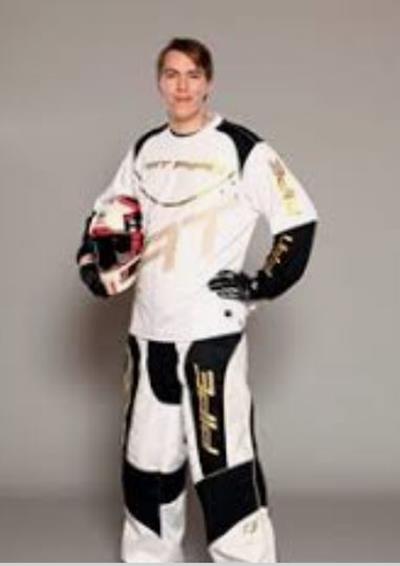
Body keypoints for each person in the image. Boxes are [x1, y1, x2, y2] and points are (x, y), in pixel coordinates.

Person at [76, 37, 319, 563]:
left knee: (223, 464)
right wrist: (93, 265)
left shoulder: (241, 147)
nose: (181, 86)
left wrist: (261, 284)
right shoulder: (144, 151)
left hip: (211, 337)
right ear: (158, 83)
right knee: (145, 463)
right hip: (147, 336)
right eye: (171, 74)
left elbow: (298, 220)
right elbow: (105, 216)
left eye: (192, 75)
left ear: (208, 82)